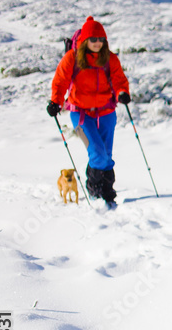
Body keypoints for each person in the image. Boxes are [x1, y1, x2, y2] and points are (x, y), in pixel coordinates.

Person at [47, 16, 131, 207]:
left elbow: (119, 80)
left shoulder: (110, 58)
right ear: (85, 41)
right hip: (80, 113)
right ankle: (94, 188)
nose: (97, 43)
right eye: (93, 39)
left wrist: (123, 93)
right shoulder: (72, 58)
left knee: (106, 154)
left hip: (106, 111)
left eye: (101, 39)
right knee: (97, 152)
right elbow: (60, 82)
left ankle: (108, 192)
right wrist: (55, 102)